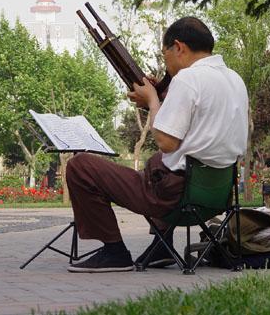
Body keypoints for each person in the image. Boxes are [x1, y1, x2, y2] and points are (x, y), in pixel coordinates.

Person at [65, 17, 249, 273]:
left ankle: (114, 251)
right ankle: (161, 248)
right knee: (157, 167)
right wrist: (161, 96)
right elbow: (199, 125)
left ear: (178, 47)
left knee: (80, 165)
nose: (166, 64)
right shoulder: (234, 79)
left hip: (176, 197)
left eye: (165, 56)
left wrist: (152, 101)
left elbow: (166, 142)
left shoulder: (188, 79)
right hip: (216, 195)